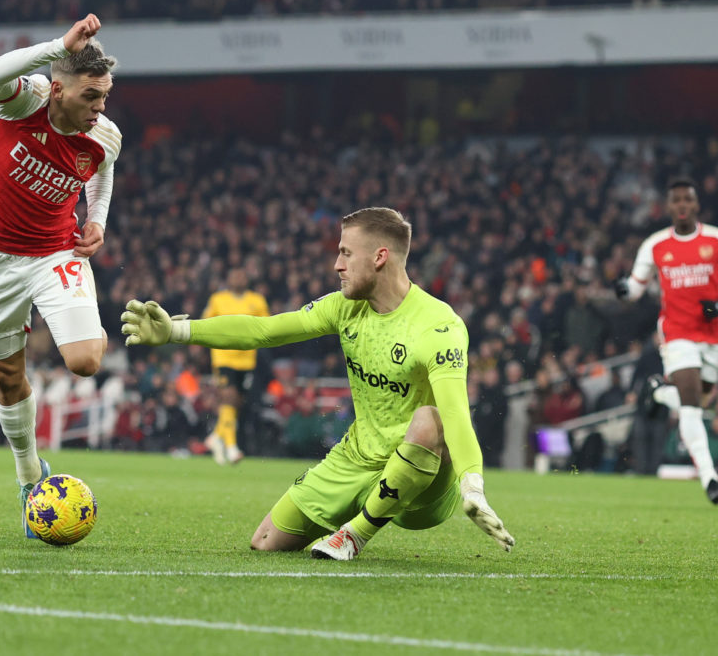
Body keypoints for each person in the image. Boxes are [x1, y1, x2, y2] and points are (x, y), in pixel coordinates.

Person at [121, 207, 514, 560]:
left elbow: (456, 414)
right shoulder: (343, 308)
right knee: (265, 541)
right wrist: (176, 330)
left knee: (431, 418)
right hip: (357, 458)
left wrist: (473, 485)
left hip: (423, 482)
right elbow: (263, 330)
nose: (336, 265)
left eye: (346, 253)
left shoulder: (438, 325)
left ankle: (355, 536)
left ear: (380, 257)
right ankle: (352, 513)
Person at [0, 14, 123, 538]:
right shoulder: (24, 101)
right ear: (58, 88)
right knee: (7, 377)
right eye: (91, 96)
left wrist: (96, 221)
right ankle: (30, 477)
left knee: (86, 360)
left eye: (105, 96)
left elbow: (102, 177)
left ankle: (34, 478)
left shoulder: (105, 136)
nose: (100, 108)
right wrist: (57, 47)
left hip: (54, 252)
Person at [615, 178, 718, 504]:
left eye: (686, 200)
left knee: (699, 401)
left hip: (712, 336)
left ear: (695, 205)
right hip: (676, 334)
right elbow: (635, 287)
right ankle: (710, 479)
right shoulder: (655, 245)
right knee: (692, 409)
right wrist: (623, 290)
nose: (681, 205)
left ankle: (660, 394)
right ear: (668, 206)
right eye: (675, 200)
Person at [200, 267, 270, 465]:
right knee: (229, 398)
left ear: (247, 280)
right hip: (223, 358)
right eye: (234, 275)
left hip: (247, 360)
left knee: (236, 403)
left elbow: (267, 326)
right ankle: (231, 447)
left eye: (242, 275)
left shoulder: (257, 300)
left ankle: (215, 437)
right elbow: (205, 322)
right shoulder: (218, 299)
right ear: (228, 279)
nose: (238, 278)